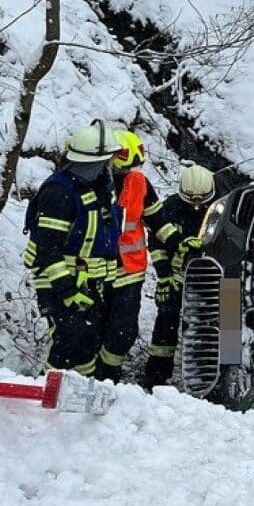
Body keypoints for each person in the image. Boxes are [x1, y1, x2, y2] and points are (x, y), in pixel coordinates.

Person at [23, 120, 122, 376]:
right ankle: (49, 396)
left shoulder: (94, 187)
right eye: (108, 160)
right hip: (59, 282)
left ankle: (79, 395)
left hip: (86, 282)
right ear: (95, 162)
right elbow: (48, 250)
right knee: (69, 342)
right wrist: (67, 290)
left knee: (87, 342)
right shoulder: (60, 192)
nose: (112, 166)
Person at [94, 129, 170, 383]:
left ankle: (109, 375)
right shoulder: (91, 183)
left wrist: (177, 241)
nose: (129, 174)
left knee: (123, 330)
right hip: (94, 270)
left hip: (129, 270)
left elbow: (156, 220)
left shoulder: (140, 183)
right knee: (91, 327)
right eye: (124, 170)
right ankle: (88, 373)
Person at [142, 164, 216, 389]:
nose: (196, 206)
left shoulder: (221, 207)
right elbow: (156, 243)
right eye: (190, 201)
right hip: (176, 277)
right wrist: (164, 276)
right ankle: (156, 376)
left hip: (216, 279)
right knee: (166, 320)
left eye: (200, 201)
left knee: (216, 324)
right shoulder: (169, 208)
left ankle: (213, 375)